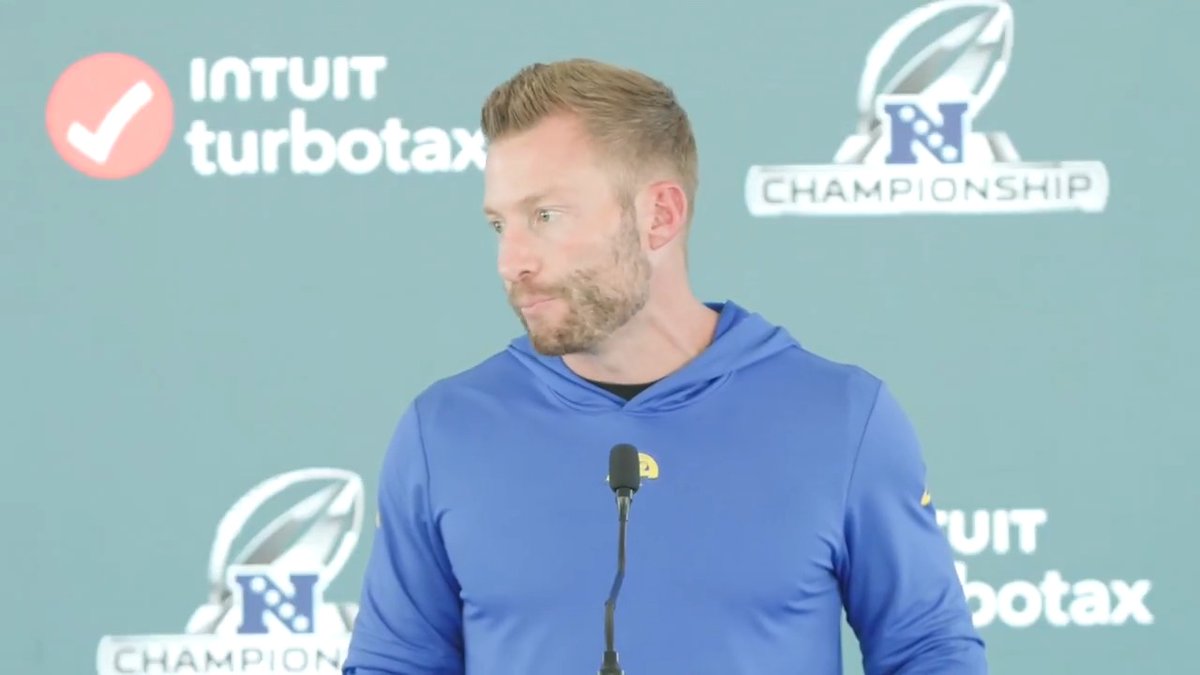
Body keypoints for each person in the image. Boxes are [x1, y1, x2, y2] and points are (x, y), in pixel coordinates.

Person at [341, 58, 987, 675]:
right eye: (498, 224)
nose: (513, 261)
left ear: (660, 215)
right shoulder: (444, 432)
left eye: (545, 215)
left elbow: (929, 652)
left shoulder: (842, 419)